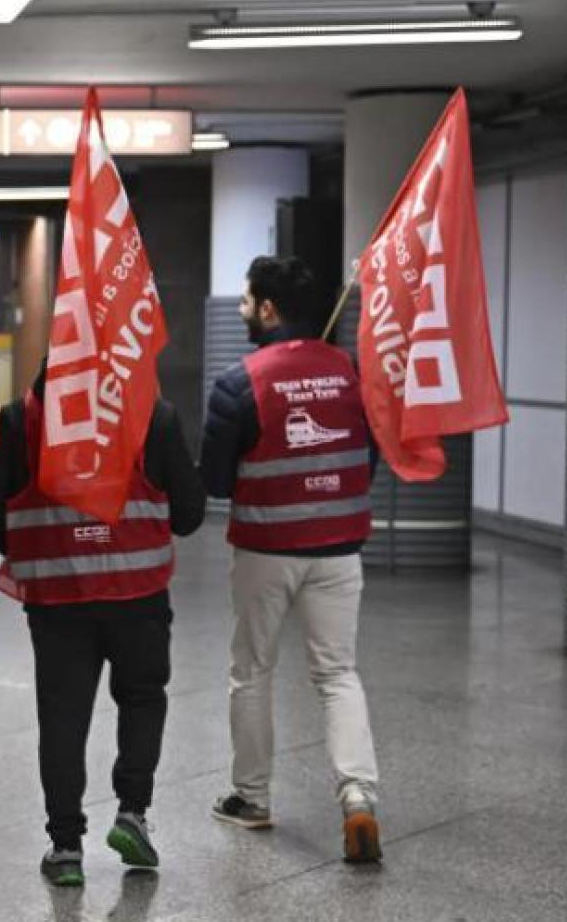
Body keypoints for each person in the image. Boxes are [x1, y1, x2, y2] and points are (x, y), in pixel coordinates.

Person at [0, 370, 205, 887]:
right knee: (143, 697)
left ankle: (65, 847)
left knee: (62, 717)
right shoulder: (152, 414)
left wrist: (38, 547)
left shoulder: (20, 419)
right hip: (138, 596)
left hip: (58, 600)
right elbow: (189, 514)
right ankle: (132, 813)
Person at [199, 255, 382, 864]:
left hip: (266, 550)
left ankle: (251, 800)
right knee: (338, 674)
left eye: (248, 301)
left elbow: (218, 481)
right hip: (339, 548)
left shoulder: (237, 383)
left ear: (270, 309)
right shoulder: (351, 372)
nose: (244, 311)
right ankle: (357, 796)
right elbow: (368, 455)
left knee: (252, 669)